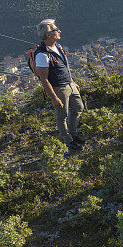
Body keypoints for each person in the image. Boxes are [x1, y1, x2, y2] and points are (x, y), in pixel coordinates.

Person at [34, 19, 86, 150]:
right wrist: (54, 98)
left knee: (78, 108)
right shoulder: (42, 54)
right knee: (62, 115)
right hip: (59, 88)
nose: (59, 31)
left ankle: (73, 134)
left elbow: (64, 67)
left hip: (69, 84)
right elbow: (44, 79)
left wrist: (72, 82)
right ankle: (69, 142)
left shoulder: (58, 47)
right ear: (48, 35)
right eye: (56, 30)